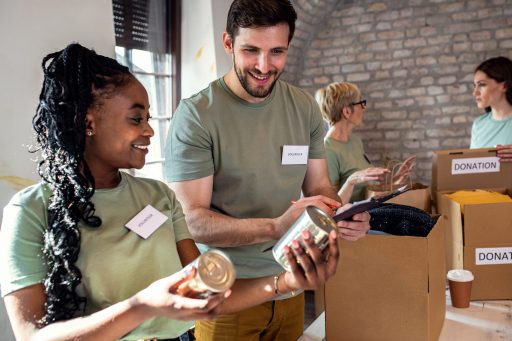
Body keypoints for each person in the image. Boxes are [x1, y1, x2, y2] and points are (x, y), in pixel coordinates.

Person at [0, 43, 340, 341]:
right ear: (87, 121)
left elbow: (208, 290)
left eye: (148, 117)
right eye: (136, 119)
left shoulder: (158, 196)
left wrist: (285, 281)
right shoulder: (30, 211)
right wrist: (143, 305)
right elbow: (33, 336)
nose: (149, 130)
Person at [164, 1, 370, 340]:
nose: (264, 66)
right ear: (228, 43)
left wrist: (343, 213)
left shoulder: (303, 106)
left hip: (290, 284)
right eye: (251, 51)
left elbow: (320, 185)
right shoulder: (197, 115)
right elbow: (191, 222)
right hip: (224, 291)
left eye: (277, 52)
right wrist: (275, 227)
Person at [315, 81, 416, 203]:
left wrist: (395, 180)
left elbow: (366, 189)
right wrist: (350, 181)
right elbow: (330, 206)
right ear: (347, 112)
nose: (364, 108)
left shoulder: (355, 141)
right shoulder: (328, 150)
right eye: (361, 103)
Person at [471, 56, 512, 162]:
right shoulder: (478, 125)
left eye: (482, 85)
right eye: (474, 85)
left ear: (505, 86)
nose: (475, 92)